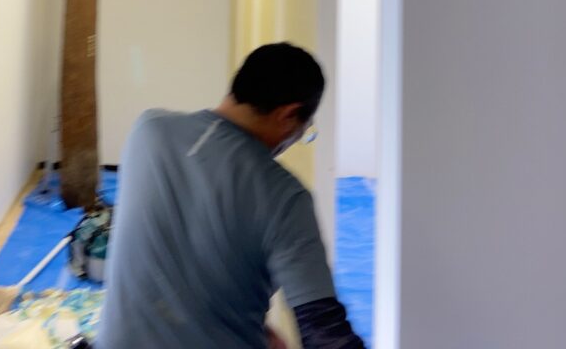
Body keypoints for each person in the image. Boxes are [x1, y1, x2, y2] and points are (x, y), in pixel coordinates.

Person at [96, 42, 365, 349]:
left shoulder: (149, 130)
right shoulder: (285, 197)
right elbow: (325, 334)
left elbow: (186, 255)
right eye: (304, 130)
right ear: (289, 115)